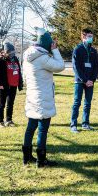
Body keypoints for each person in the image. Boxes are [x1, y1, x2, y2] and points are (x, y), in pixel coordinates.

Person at [22, 28, 65, 167]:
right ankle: (41, 160)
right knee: (42, 130)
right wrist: (55, 50)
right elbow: (60, 66)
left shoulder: (27, 55)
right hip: (43, 97)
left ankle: (27, 157)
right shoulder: (43, 58)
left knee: (30, 128)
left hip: (32, 96)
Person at [70, 28, 98, 133]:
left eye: (92, 36)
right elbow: (76, 67)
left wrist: (92, 80)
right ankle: (73, 124)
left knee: (88, 103)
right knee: (77, 102)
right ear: (83, 37)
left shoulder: (93, 51)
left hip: (90, 82)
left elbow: (96, 67)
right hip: (79, 81)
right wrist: (85, 80)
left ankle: (85, 123)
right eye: (89, 36)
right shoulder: (77, 49)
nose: (91, 38)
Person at [0, 42, 23, 127]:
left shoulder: (16, 59)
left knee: (10, 104)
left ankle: (9, 120)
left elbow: (19, 72)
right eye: (10, 52)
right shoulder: (1, 60)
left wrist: (20, 83)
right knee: (1, 104)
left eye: (13, 52)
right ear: (5, 52)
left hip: (13, 85)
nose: (12, 54)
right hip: (3, 86)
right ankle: (0, 121)